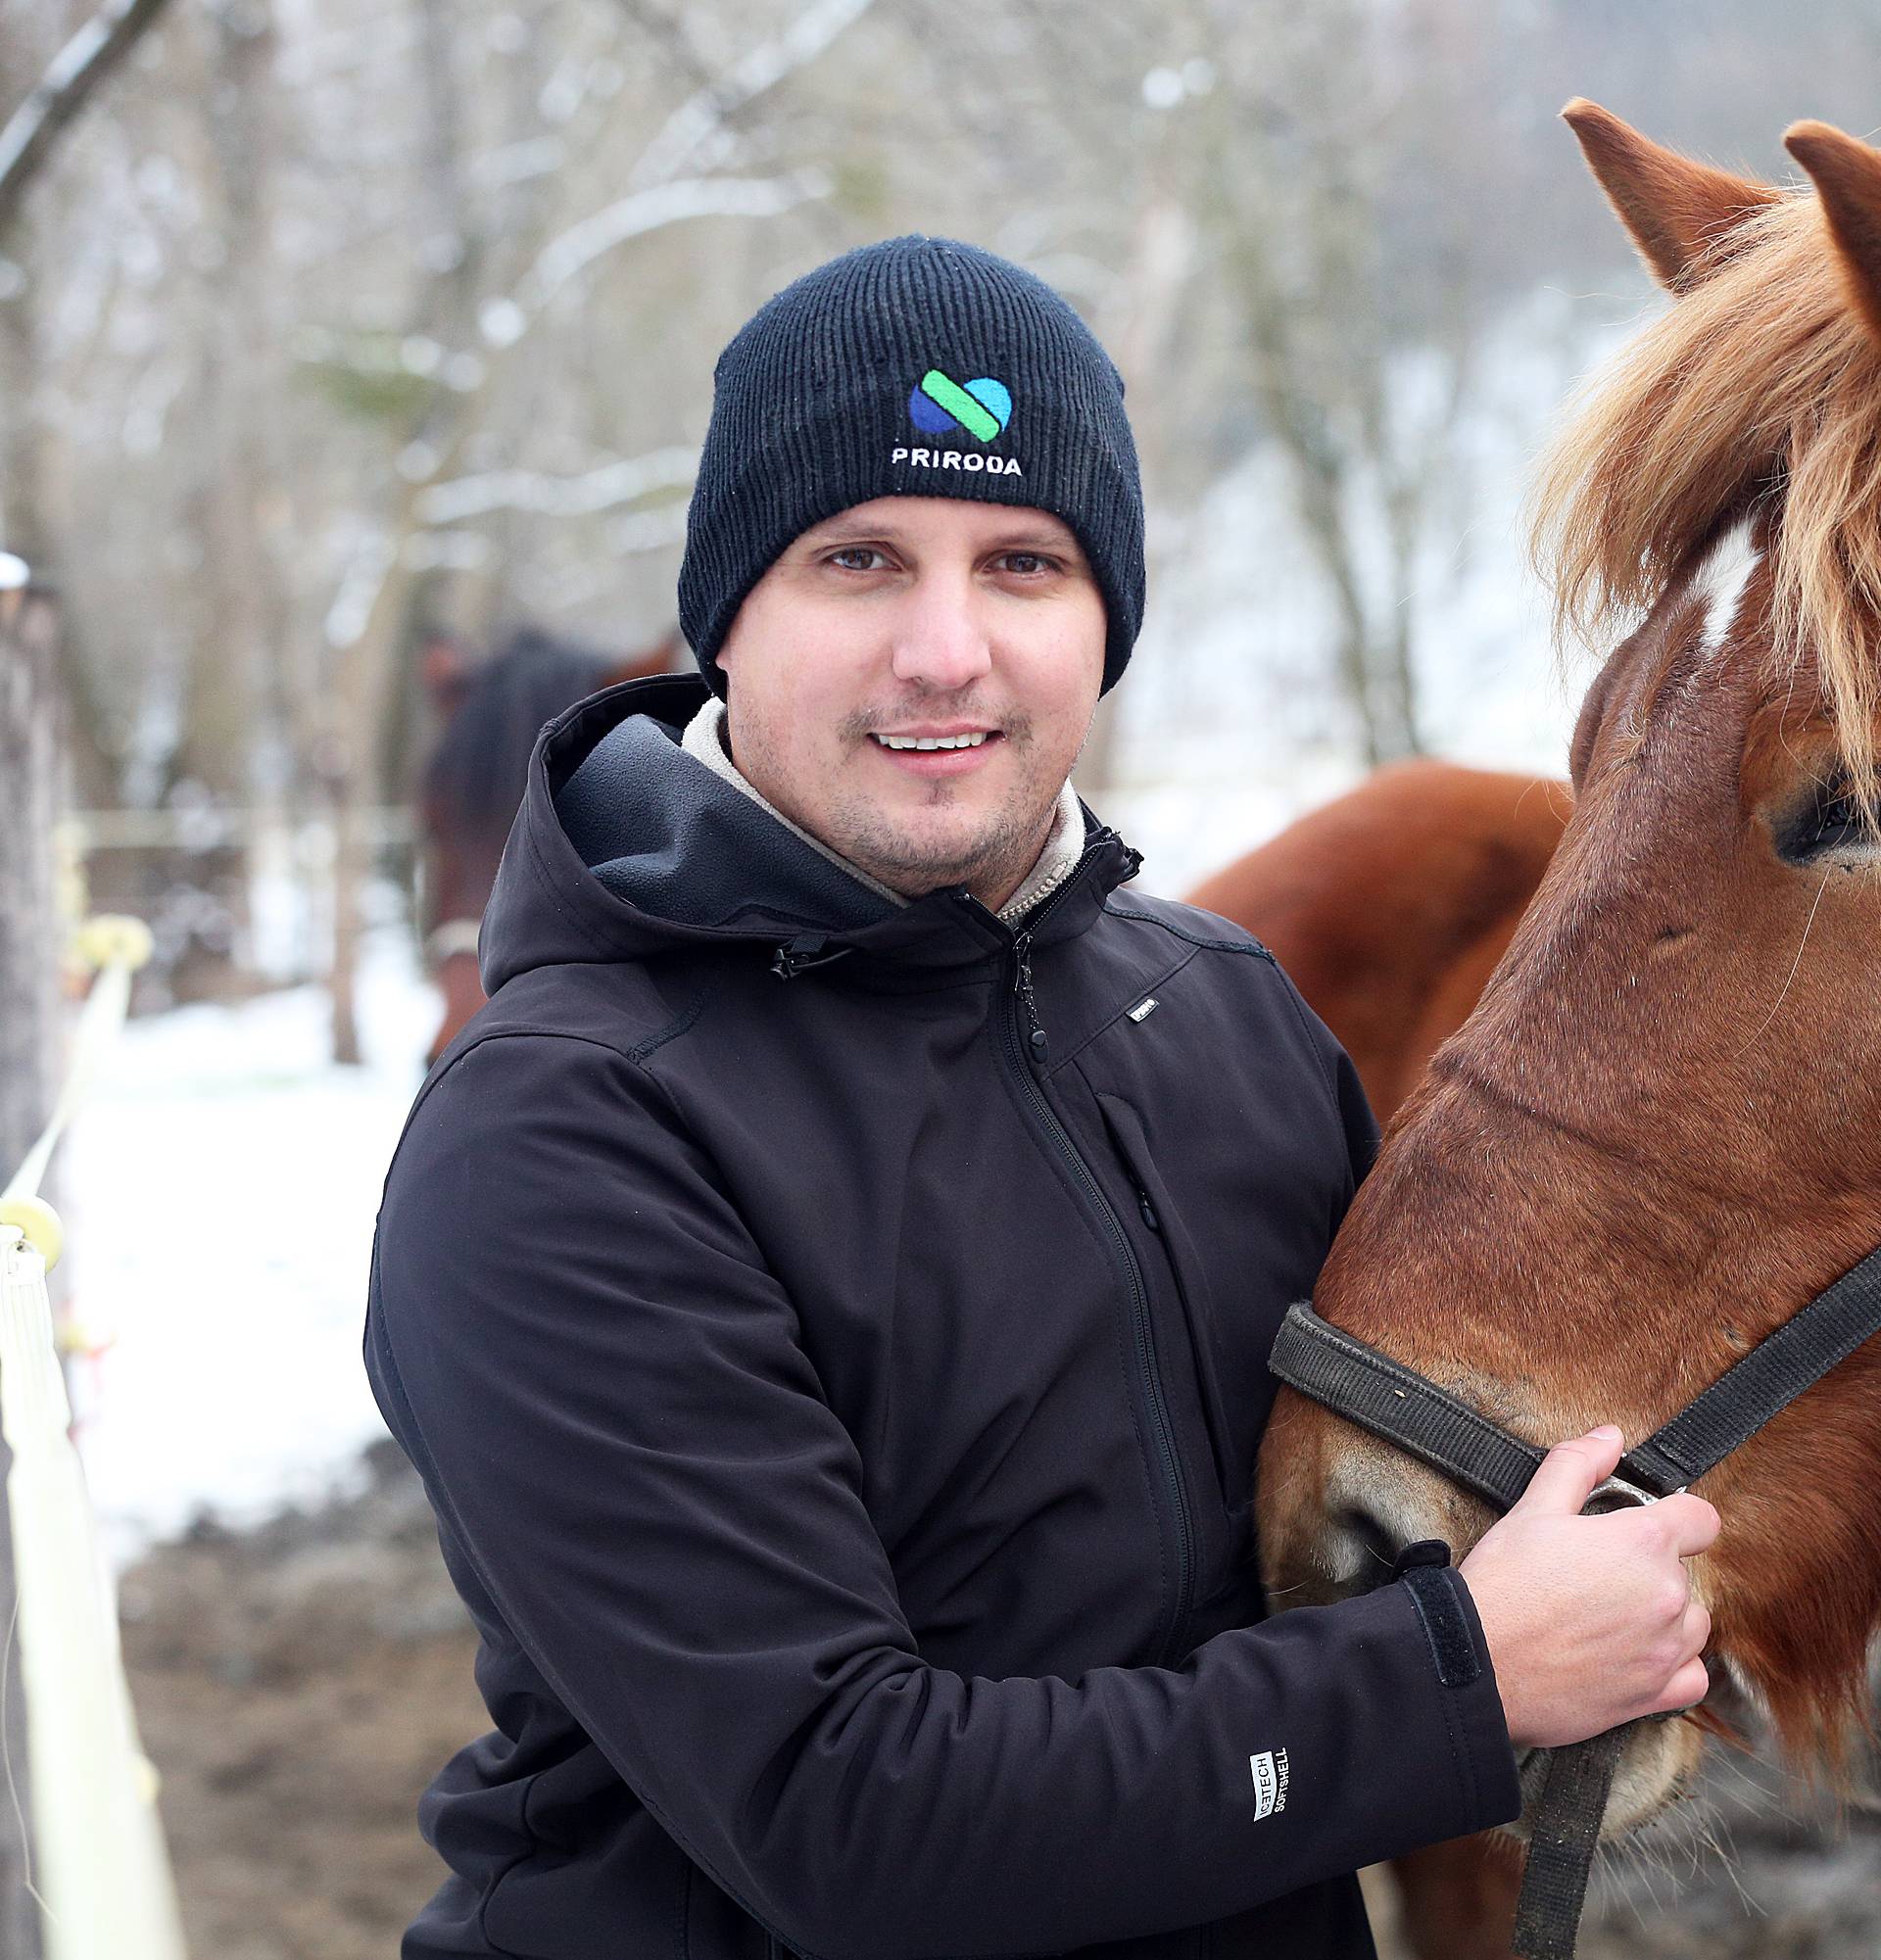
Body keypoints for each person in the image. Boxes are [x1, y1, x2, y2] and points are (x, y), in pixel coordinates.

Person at [364, 235, 1717, 1959]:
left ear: (1106, 623)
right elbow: (847, 1818)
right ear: (729, 619)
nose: (949, 651)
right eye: (859, 560)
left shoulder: (1229, 1020)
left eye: (1024, 563)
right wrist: (1465, 1677)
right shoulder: (562, 1136)